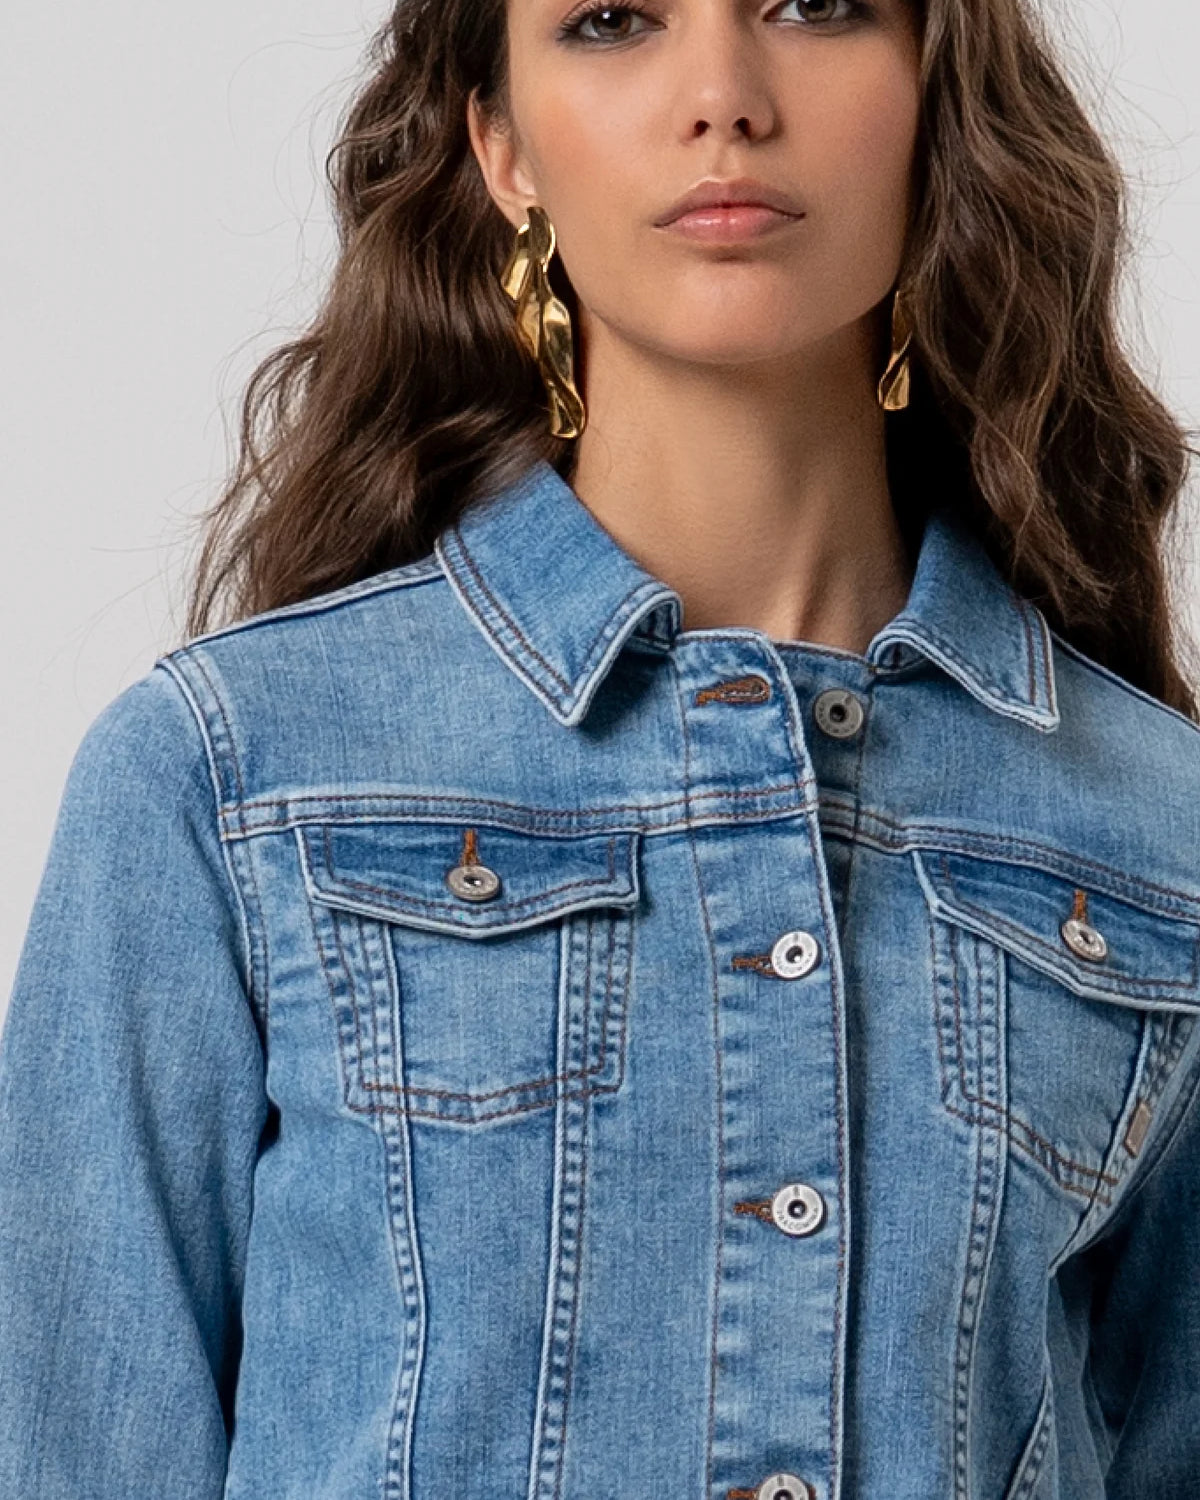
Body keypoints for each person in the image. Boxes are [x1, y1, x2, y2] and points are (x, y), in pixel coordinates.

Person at [2, 0, 1199, 1495]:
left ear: (937, 97)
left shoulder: (1160, 838)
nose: (724, 96)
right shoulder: (231, 780)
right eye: (612, 21)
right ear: (502, 150)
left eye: (816, 5)